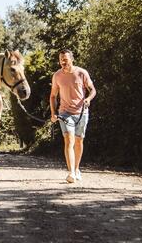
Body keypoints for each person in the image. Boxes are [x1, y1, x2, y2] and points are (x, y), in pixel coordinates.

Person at [50, 49, 96, 183]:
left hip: (82, 112)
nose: (63, 62)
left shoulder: (82, 73)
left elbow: (92, 90)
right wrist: (53, 113)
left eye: (65, 59)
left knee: (79, 140)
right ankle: (71, 172)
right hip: (65, 112)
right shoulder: (57, 76)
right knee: (69, 140)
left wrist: (88, 99)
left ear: (72, 59)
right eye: (60, 59)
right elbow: (53, 96)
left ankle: (76, 169)